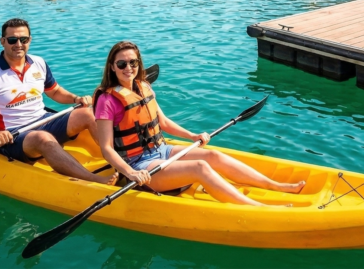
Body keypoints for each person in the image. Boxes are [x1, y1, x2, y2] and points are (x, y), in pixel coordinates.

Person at [93, 41, 305, 205]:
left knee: (212, 155)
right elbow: (107, 149)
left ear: (139, 64)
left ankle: (276, 186)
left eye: (133, 62)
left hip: (161, 150)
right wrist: (131, 173)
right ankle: (255, 207)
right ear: (112, 67)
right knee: (200, 167)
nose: (128, 67)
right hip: (138, 165)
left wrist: (192, 136)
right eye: (122, 63)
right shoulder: (107, 101)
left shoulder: (142, 87)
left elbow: (163, 122)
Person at [0, 18, 117, 185]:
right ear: (2, 42)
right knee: (42, 138)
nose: (18, 44)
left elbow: (54, 91)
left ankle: (122, 161)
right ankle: (95, 180)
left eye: (24, 39)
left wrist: (75, 98)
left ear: (30, 40)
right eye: (12, 40)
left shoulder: (38, 63)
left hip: (43, 119)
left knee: (87, 113)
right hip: (11, 135)